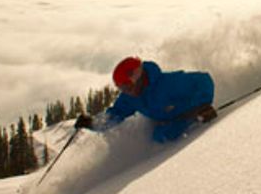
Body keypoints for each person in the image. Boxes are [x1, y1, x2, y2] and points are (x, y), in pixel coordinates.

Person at [75, 57, 216, 142]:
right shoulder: (130, 98)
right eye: (122, 89)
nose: (127, 92)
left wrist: (202, 105)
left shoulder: (167, 84)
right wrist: (91, 124)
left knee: (164, 135)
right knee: (158, 136)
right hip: (169, 126)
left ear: (137, 78)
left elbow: (204, 80)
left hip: (193, 115)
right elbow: (114, 116)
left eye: (128, 87)